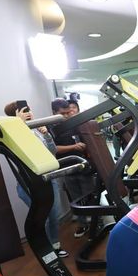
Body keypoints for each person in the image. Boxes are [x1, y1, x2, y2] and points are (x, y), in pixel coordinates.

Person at [4, 100, 68, 257]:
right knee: (42, 218)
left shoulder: (39, 130)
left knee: (55, 215)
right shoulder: (13, 133)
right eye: (23, 111)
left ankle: (55, 245)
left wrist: (46, 135)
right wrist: (19, 124)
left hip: (48, 178)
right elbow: (19, 151)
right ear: (15, 115)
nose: (28, 112)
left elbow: (52, 151)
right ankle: (45, 250)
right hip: (29, 183)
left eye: (29, 109)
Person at [48, 98, 93, 238]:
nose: (67, 115)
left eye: (68, 112)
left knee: (90, 195)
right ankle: (83, 224)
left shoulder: (74, 123)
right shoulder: (49, 128)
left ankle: (96, 222)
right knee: (76, 198)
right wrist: (73, 147)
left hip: (83, 166)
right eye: (63, 113)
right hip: (67, 168)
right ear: (54, 112)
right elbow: (52, 149)